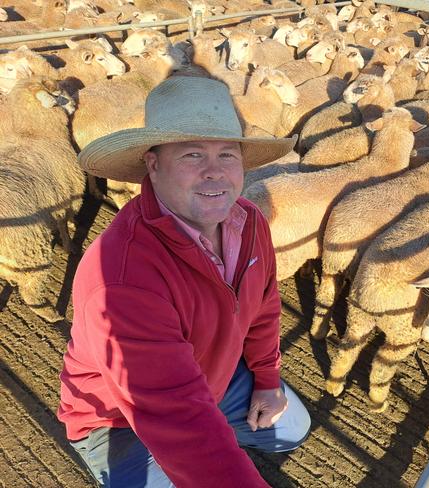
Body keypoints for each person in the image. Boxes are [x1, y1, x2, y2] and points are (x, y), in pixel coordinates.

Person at [58, 75, 311, 487]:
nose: (216, 173)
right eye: (193, 155)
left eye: (227, 155)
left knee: (290, 428)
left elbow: (264, 306)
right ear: (153, 165)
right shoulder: (123, 277)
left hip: (212, 376)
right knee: (191, 456)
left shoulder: (248, 223)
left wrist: (266, 381)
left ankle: (223, 438)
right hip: (123, 416)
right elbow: (174, 413)